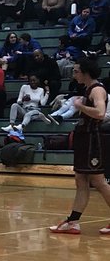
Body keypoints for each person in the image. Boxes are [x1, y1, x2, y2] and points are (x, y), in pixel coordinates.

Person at [49, 57, 110, 235]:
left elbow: (100, 113)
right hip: (84, 139)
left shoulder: (97, 90)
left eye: (76, 71)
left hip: (92, 139)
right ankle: (73, 221)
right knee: (81, 180)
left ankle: (73, 221)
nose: (73, 74)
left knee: (98, 182)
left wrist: (79, 106)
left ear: (85, 72)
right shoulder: (88, 88)